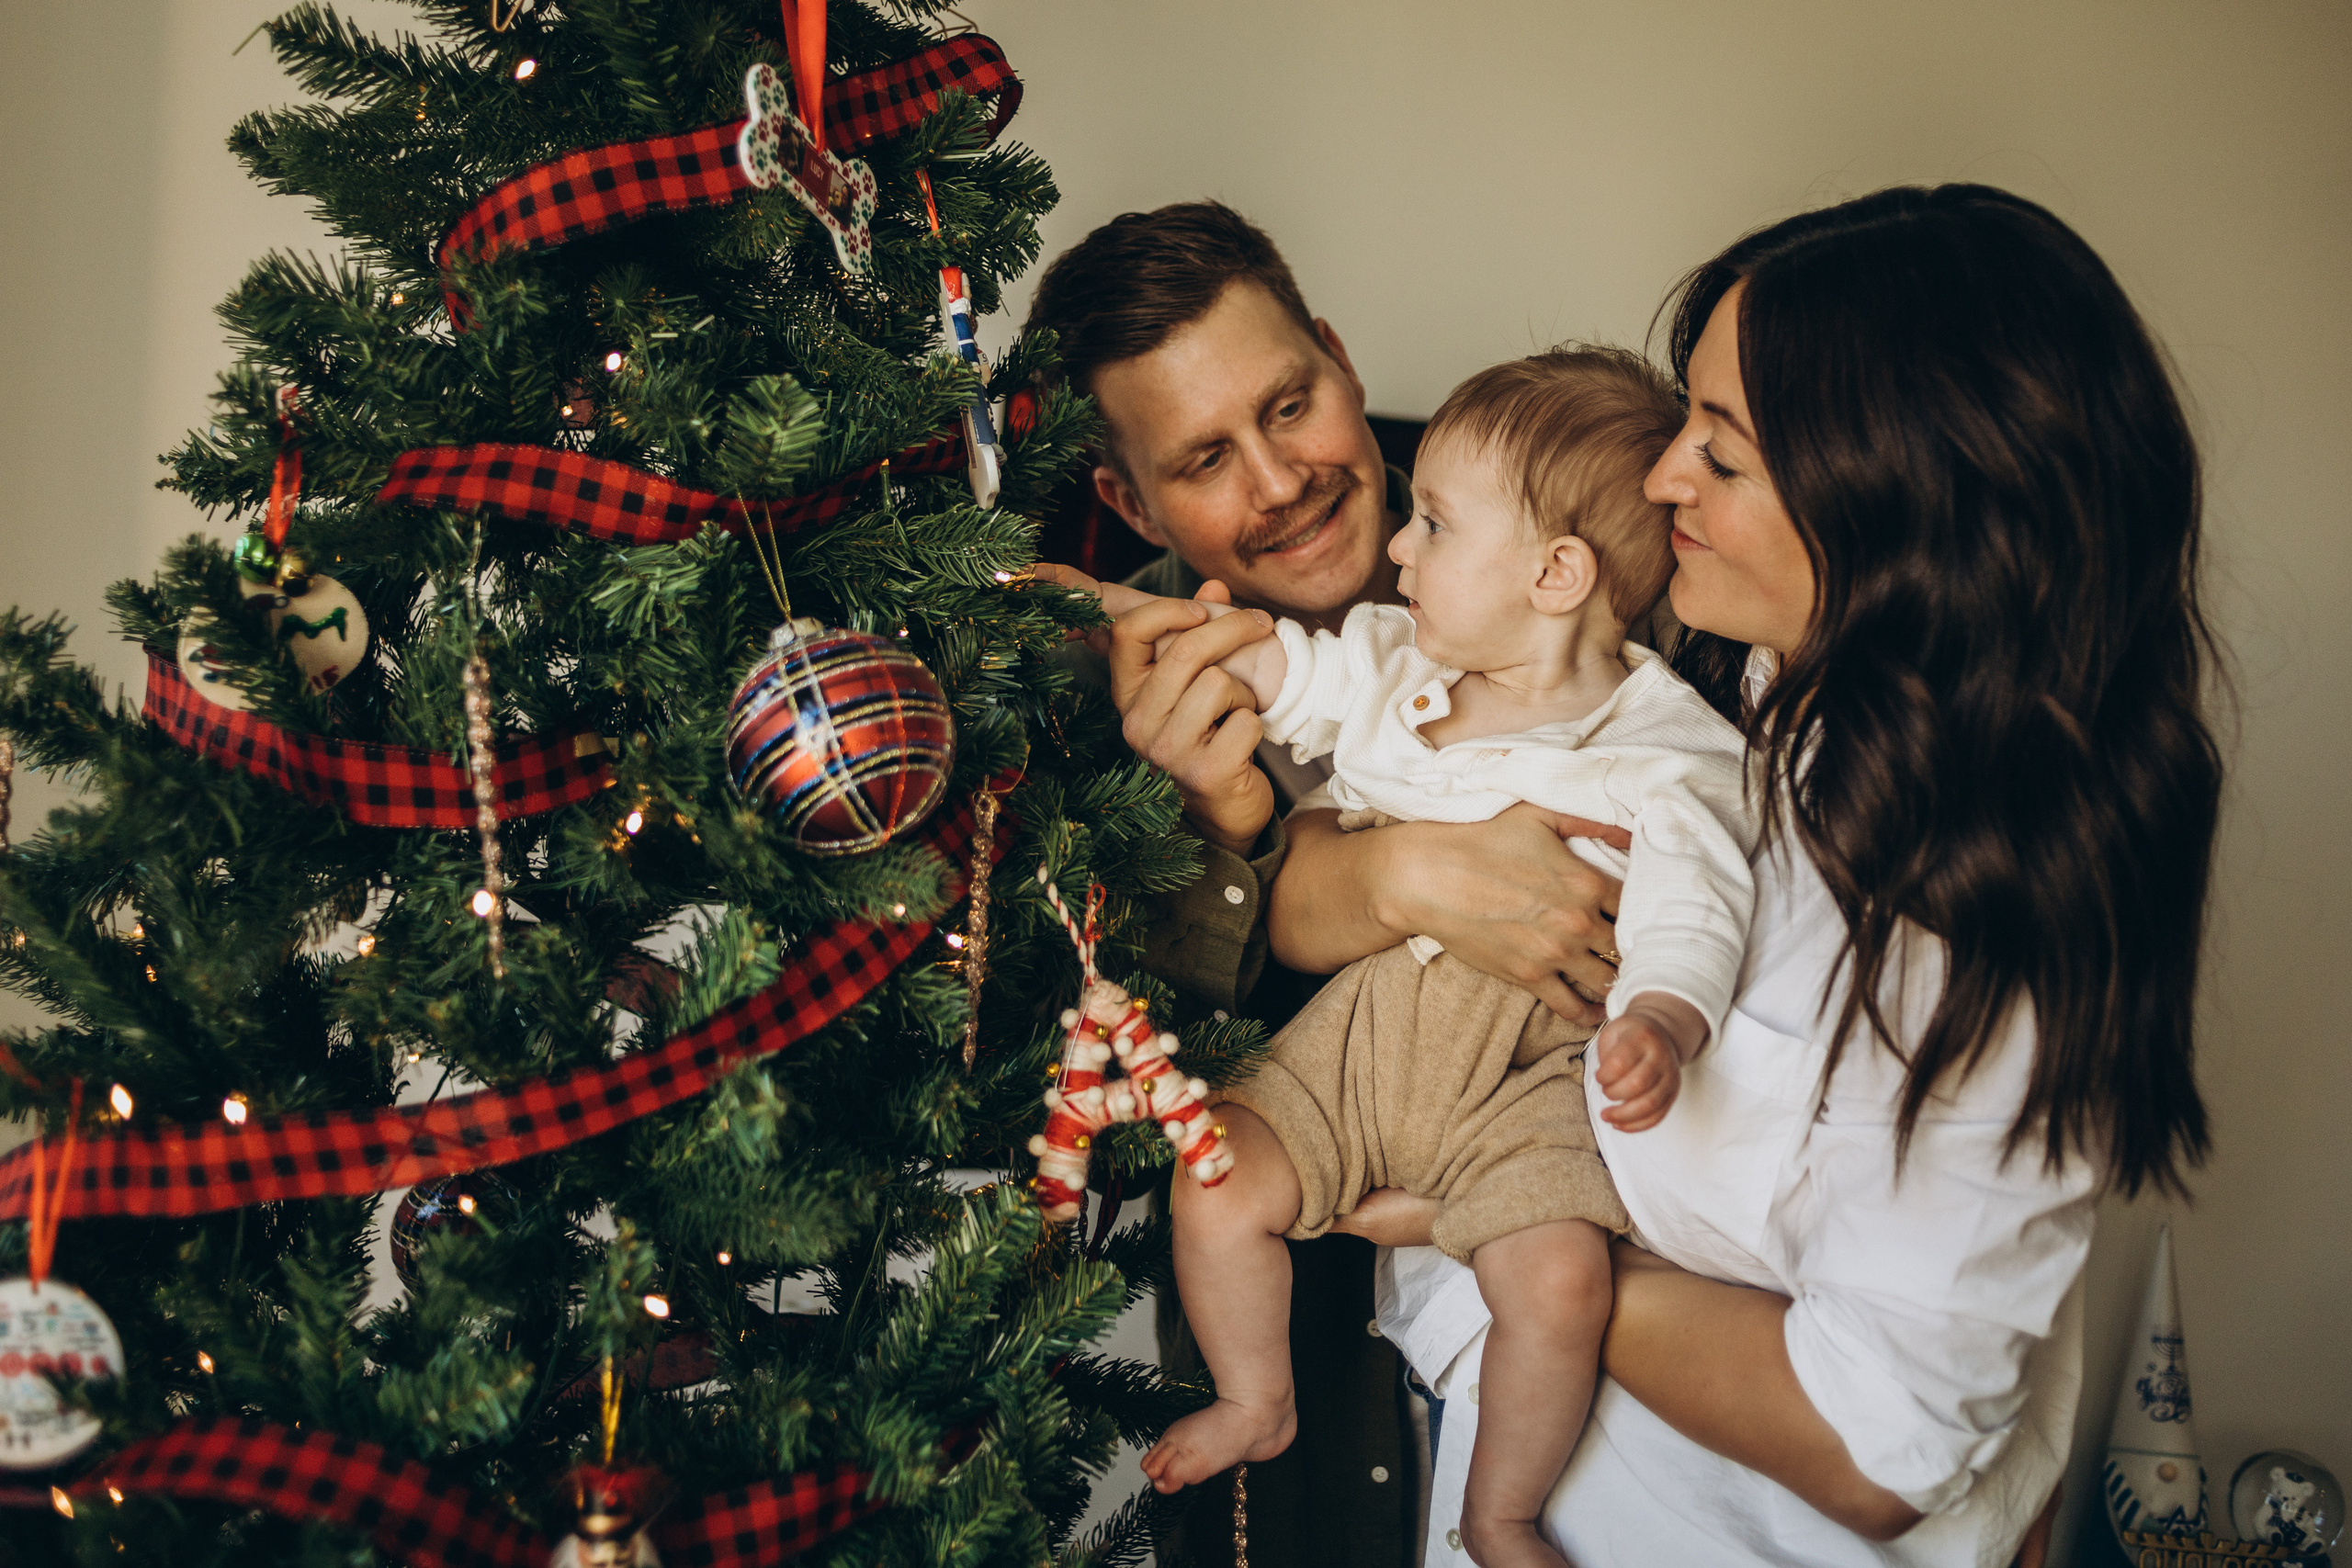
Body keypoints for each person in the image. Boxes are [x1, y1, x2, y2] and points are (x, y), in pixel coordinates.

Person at [1276, 184, 2222, 1567]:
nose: (1663, 483)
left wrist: (1510, 1223)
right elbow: (1334, 843)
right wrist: (1404, 870)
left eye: (1720, 455)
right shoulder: (1738, 688)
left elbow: (1874, 1448)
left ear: (1899, 503)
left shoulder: (1991, 935)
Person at [1052, 348, 1758, 1568]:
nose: (1400, 550)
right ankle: (1254, 1397)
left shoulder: (1668, 746)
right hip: (1367, 1042)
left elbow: (1702, 904)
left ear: (1556, 573)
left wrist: (1666, 1021)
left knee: (1557, 1286)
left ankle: (1501, 1512)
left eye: (1432, 524)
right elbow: (1279, 664)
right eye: (1207, 455)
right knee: (1215, 1175)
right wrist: (1119, 614)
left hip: (1531, 1077)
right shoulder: (1397, 666)